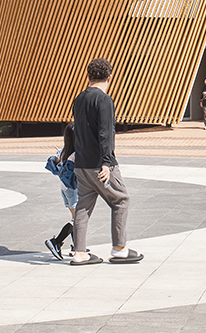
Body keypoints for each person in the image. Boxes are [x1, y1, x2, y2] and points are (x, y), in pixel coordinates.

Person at [70, 57, 143, 265]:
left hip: (81, 163)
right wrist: (107, 163)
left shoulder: (79, 99)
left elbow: (78, 130)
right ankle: (119, 248)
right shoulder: (104, 100)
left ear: (89, 76)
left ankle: (80, 253)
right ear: (110, 76)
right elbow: (105, 133)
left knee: (83, 206)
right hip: (98, 163)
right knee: (121, 200)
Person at [44, 123, 77, 259]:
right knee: (77, 220)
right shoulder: (76, 155)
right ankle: (56, 242)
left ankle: (77, 247)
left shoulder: (64, 151)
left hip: (65, 189)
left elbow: (56, 162)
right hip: (74, 190)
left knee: (76, 218)